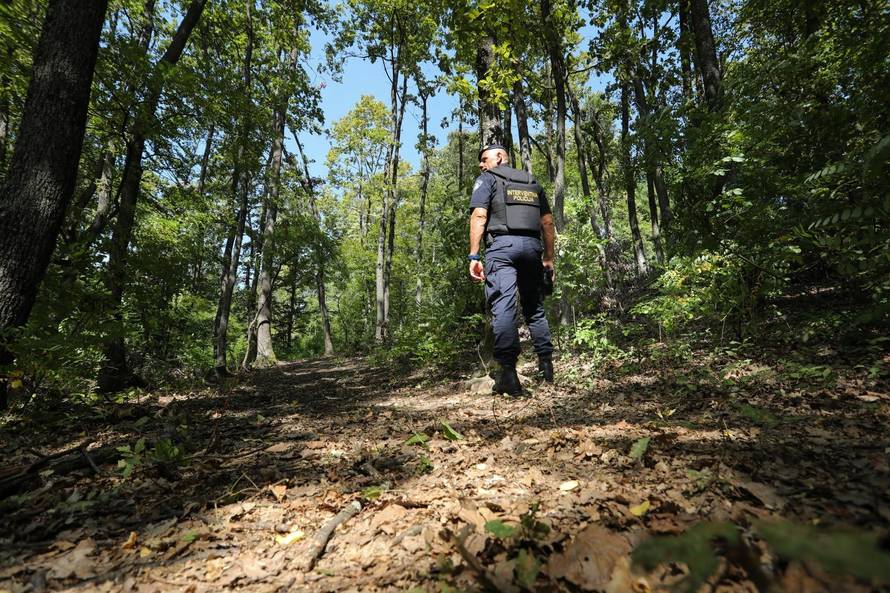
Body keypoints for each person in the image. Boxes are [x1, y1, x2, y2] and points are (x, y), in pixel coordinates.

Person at [468, 144, 555, 395]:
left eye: (484, 159)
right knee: (534, 308)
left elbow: (479, 216)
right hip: (532, 249)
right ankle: (546, 366)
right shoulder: (532, 182)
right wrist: (548, 259)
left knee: (503, 307)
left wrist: (474, 255)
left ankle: (508, 373)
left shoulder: (488, 179)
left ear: (499, 157)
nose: (481, 164)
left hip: (502, 248)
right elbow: (547, 223)